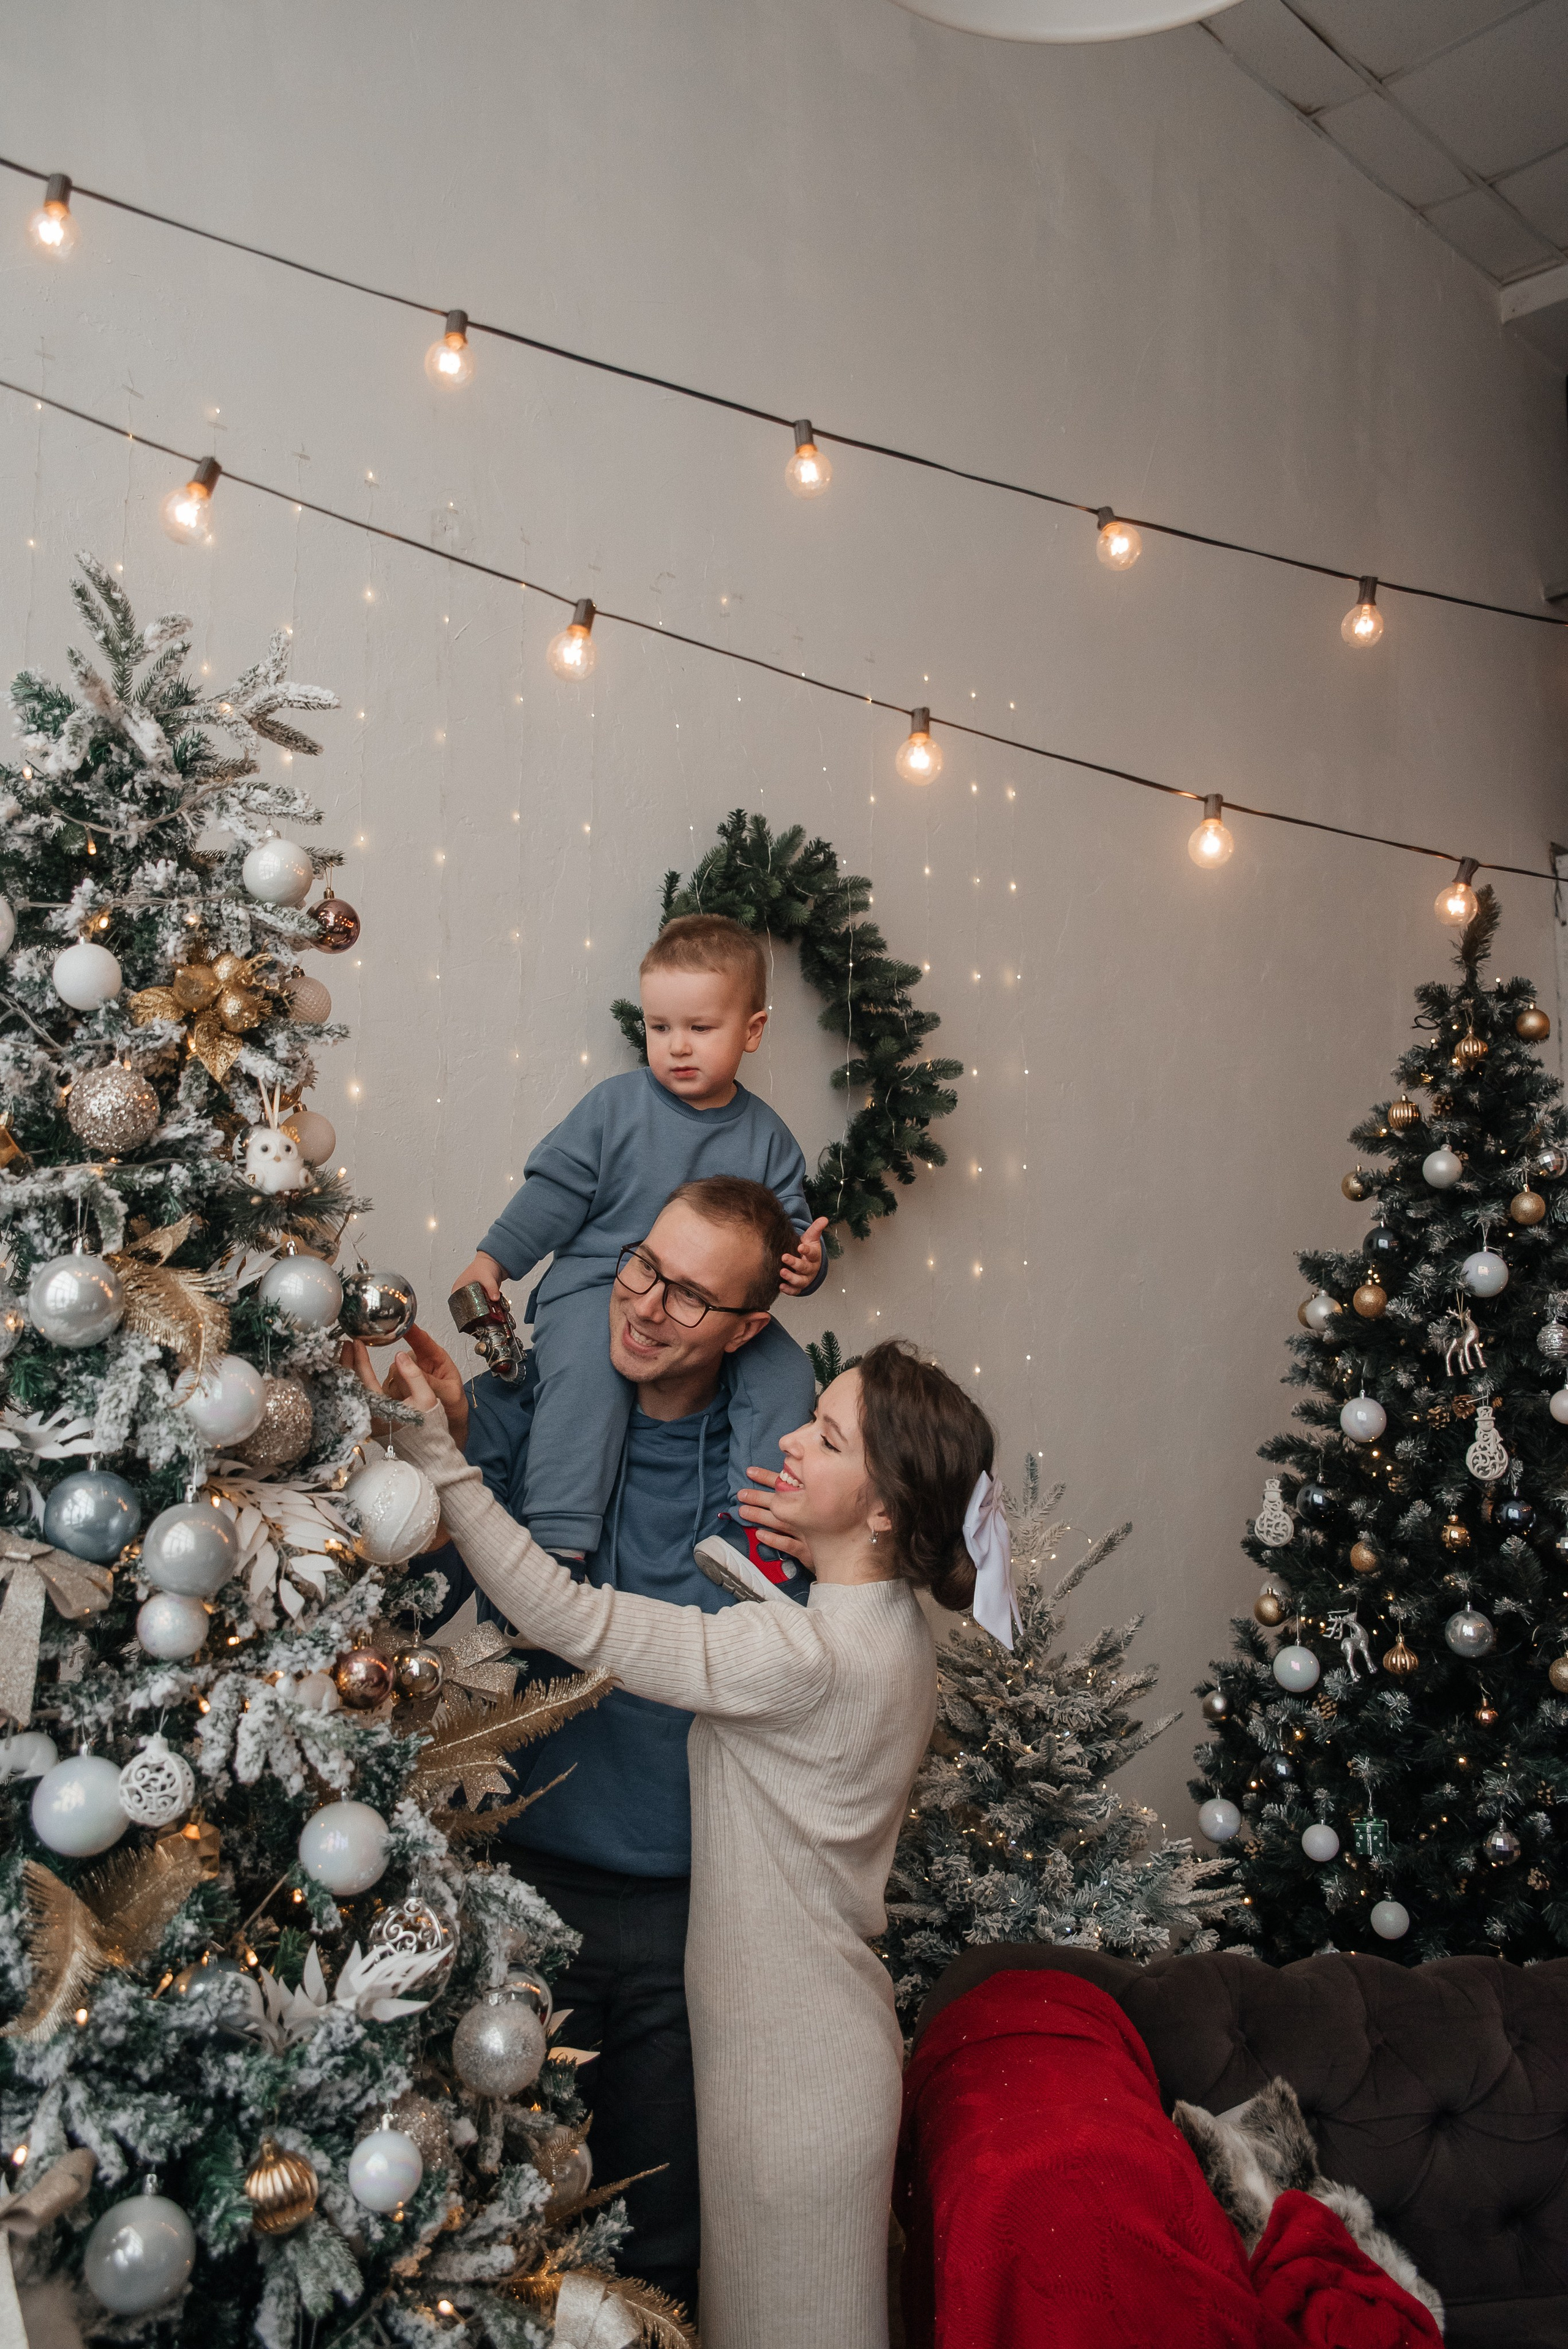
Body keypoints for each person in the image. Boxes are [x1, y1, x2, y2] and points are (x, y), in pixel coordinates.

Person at [360, 1300, 1002, 2349]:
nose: (791, 1439)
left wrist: (444, 1465)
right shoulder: (890, 1628)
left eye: (827, 1440)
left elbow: (572, 1619)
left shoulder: (800, 1659)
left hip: (792, 2085)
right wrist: (793, 1546)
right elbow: (806, 1647)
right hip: (813, 2049)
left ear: (882, 1511)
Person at [409, 1177, 818, 2318]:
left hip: (685, 1901)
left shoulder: (776, 1473)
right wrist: (438, 1470)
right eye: (645, 1266)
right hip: (521, 1870)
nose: (646, 1306)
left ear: (747, 1330)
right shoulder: (543, 1406)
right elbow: (435, 1591)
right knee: (490, 2225)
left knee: (658, 2240)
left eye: (692, 1299)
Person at [453, 913, 829, 1555]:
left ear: (753, 1030)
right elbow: (555, 1193)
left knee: (788, 1375)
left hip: (713, 1308)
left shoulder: (767, 1137)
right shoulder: (615, 1107)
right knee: (584, 1376)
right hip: (602, 1282)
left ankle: (756, 1538)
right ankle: (558, 1535)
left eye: (699, 1028)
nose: (677, 1046)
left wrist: (806, 1263)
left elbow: (790, 1228)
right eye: (660, 1028)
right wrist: (492, 1262)